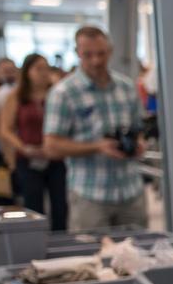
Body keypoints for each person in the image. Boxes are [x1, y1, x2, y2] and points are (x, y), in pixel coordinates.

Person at [42, 27, 148, 229]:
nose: (96, 61)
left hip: (130, 191)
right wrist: (97, 147)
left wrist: (137, 143)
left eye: (101, 53)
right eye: (88, 55)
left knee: (138, 253)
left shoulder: (126, 87)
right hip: (90, 195)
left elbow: (137, 127)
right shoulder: (63, 93)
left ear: (110, 51)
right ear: (77, 53)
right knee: (91, 257)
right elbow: (51, 146)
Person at [0, 54, 68, 229]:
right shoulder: (17, 97)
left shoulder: (57, 94)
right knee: (33, 205)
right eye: (38, 68)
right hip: (28, 158)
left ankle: (60, 241)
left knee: (60, 205)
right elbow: (5, 129)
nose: (43, 73)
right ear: (27, 71)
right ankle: (34, 241)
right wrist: (24, 147)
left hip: (55, 157)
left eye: (46, 68)